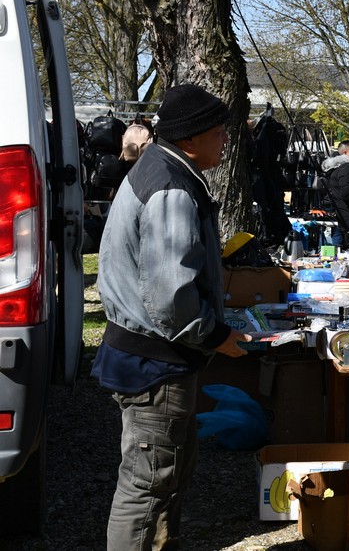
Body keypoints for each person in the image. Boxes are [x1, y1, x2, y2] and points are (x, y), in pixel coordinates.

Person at [91, 84, 251, 549]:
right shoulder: (169, 185)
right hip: (154, 364)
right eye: (219, 132)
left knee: (164, 478)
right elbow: (170, 299)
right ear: (190, 139)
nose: (225, 140)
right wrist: (216, 334)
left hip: (153, 357)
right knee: (147, 485)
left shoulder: (166, 170)